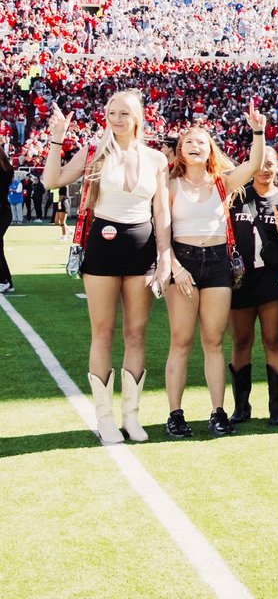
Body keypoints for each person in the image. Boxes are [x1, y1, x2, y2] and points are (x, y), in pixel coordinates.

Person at [43, 92, 172, 444]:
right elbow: (51, 180)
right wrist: (57, 138)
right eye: (111, 112)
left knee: (136, 334)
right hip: (102, 248)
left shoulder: (156, 158)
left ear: (137, 117)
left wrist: (165, 256)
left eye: (124, 113)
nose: (116, 119)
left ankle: (131, 417)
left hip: (142, 251)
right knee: (102, 332)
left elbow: (162, 212)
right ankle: (105, 419)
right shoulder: (94, 152)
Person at [163, 105, 267, 437]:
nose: (195, 146)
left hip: (219, 261)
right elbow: (161, 232)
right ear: (180, 150)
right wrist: (176, 267)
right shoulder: (170, 184)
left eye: (201, 142)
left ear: (210, 150)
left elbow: (254, 164)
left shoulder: (223, 182)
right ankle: (175, 414)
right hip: (183, 262)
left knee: (213, 341)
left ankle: (218, 412)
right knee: (181, 341)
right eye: (189, 142)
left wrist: (258, 130)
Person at [228, 146, 278, 426]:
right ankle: (241, 406)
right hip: (239, 280)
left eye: (270, 163)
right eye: (259, 163)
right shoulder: (235, 197)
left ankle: (276, 408)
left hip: (275, 280)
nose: (264, 169)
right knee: (241, 341)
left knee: (273, 340)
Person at [0, 147, 12, 293]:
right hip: (4, 211)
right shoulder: (7, 170)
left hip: (2, 211)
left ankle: (3, 280)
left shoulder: (5, 171)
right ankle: (7, 281)